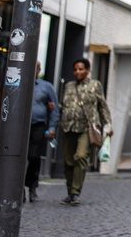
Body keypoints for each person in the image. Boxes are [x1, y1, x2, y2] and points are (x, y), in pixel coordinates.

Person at [60, 58, 112, 206]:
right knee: (68, 161)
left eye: (81, 69)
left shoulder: (95, 85)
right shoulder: (69, 86)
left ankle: (76, 193)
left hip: (86, 128)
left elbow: (102, 106)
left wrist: (108, 124)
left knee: (81, 156)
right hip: (68, 126)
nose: (77, 72)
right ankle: (70, 192)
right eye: (75, 69)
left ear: (88, 70)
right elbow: (64, 105)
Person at [25, 62, 59, 202]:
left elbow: (55, 109)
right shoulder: (21, 83)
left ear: (39, 70)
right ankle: (18, 189)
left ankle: (32, 186)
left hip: (38, 126)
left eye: (36, 68)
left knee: (33, 156)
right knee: (18, 158)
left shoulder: (46, 87)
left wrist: (51, 128)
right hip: (20, 127)